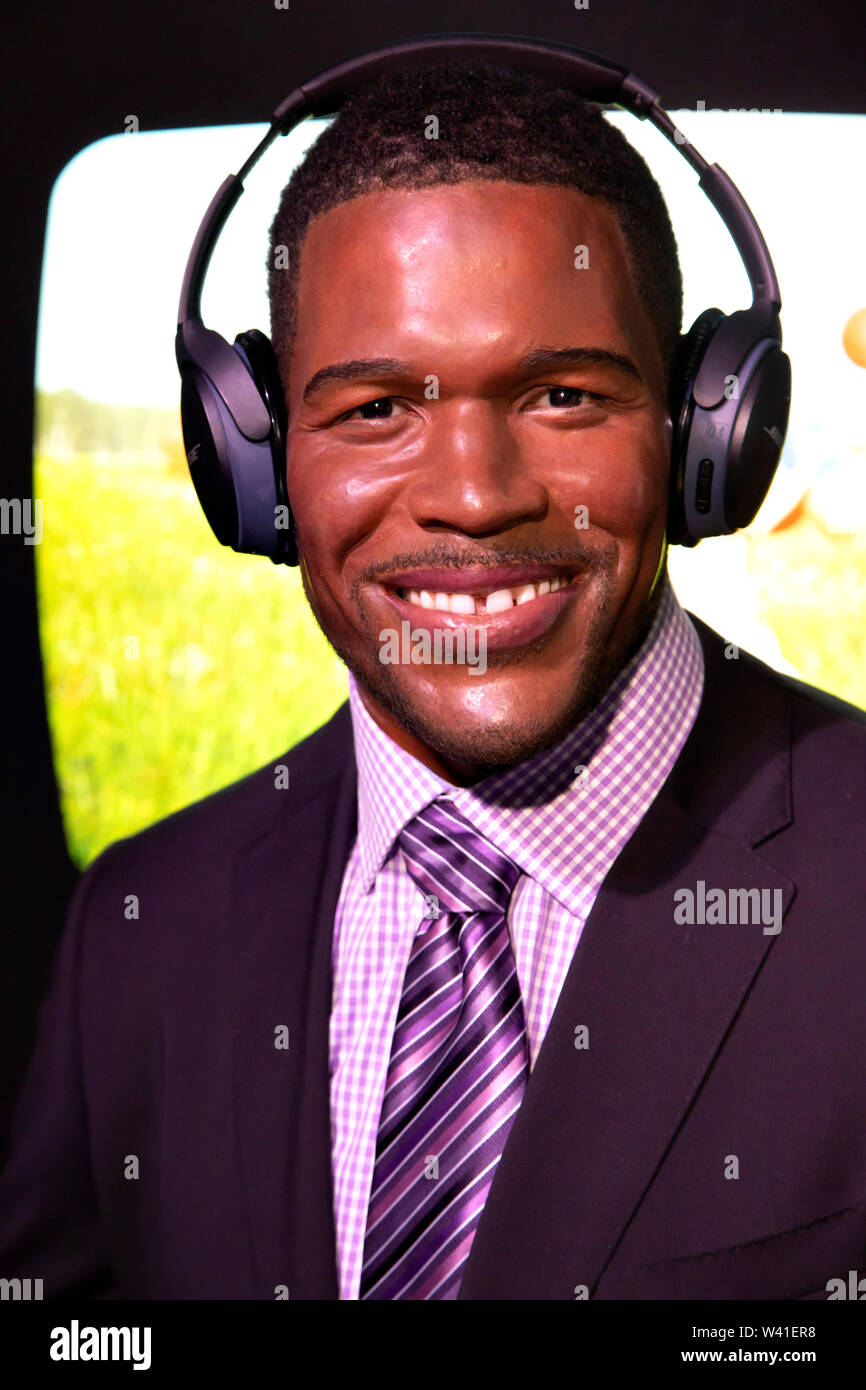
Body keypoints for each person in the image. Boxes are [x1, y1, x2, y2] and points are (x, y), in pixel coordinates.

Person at [1, 58, 864, 1302]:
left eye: (563, 395)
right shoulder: (137, 935)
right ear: (254, 470)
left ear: (700, 435)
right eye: (370, 411)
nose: (471, 495)